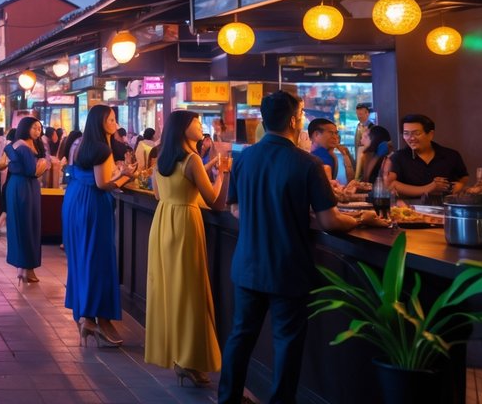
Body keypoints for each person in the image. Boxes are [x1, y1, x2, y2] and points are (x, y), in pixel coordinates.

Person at [217, 90, 381, 404]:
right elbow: (331, 221)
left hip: (248, 265)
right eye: (301, 114)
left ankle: (228, 398)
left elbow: (235, 209)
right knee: (287, 342)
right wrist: (361, 219)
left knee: (240, 337)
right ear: (294, 120)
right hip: (286, 267)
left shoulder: (243, 157)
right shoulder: (306, 164)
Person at [145, 111, 229, 388]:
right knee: (190, 293)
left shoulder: (164, 158)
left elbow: (159, 194)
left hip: (163, 222)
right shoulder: (192, 159)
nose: (201, 127)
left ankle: (179, 356)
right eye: (197, 123)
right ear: (184, 129)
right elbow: (216, 202)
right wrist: (224, 174)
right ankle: (189, 360)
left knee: (171, 291)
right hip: (185, 225)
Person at [63, 105, 135, 347]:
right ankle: (98, 319)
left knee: (83, 259)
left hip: (75, 201)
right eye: (111, 120)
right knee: (98, 260)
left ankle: (88, 317)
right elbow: (104, 183)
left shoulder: (81, 145)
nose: (115, 124)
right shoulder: (103, 149)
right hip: (92, 205)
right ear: (100, 123)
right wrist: (129, 175)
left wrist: (121, 173)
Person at [6, 117, 50, 284]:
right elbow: (33, 171)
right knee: (28, 226)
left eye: (39, 128)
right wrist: (44, 164)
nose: (37, 131)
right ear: (25, 128)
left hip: (22, 187)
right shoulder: (24, 147)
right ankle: (27, 269)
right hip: (24, 188)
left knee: (24, 225)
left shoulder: (17, 144)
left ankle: (23, 268)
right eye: (34, 128)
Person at [386, 114, 469, 200]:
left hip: (446, 208)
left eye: (416, 133)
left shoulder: (451, 155)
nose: (411, 138)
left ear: (430, 134)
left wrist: (458, 187)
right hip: (412, 209)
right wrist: (429, 188)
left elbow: (463, 177)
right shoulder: (398, 157)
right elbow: (390, 183)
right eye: (406, 133)